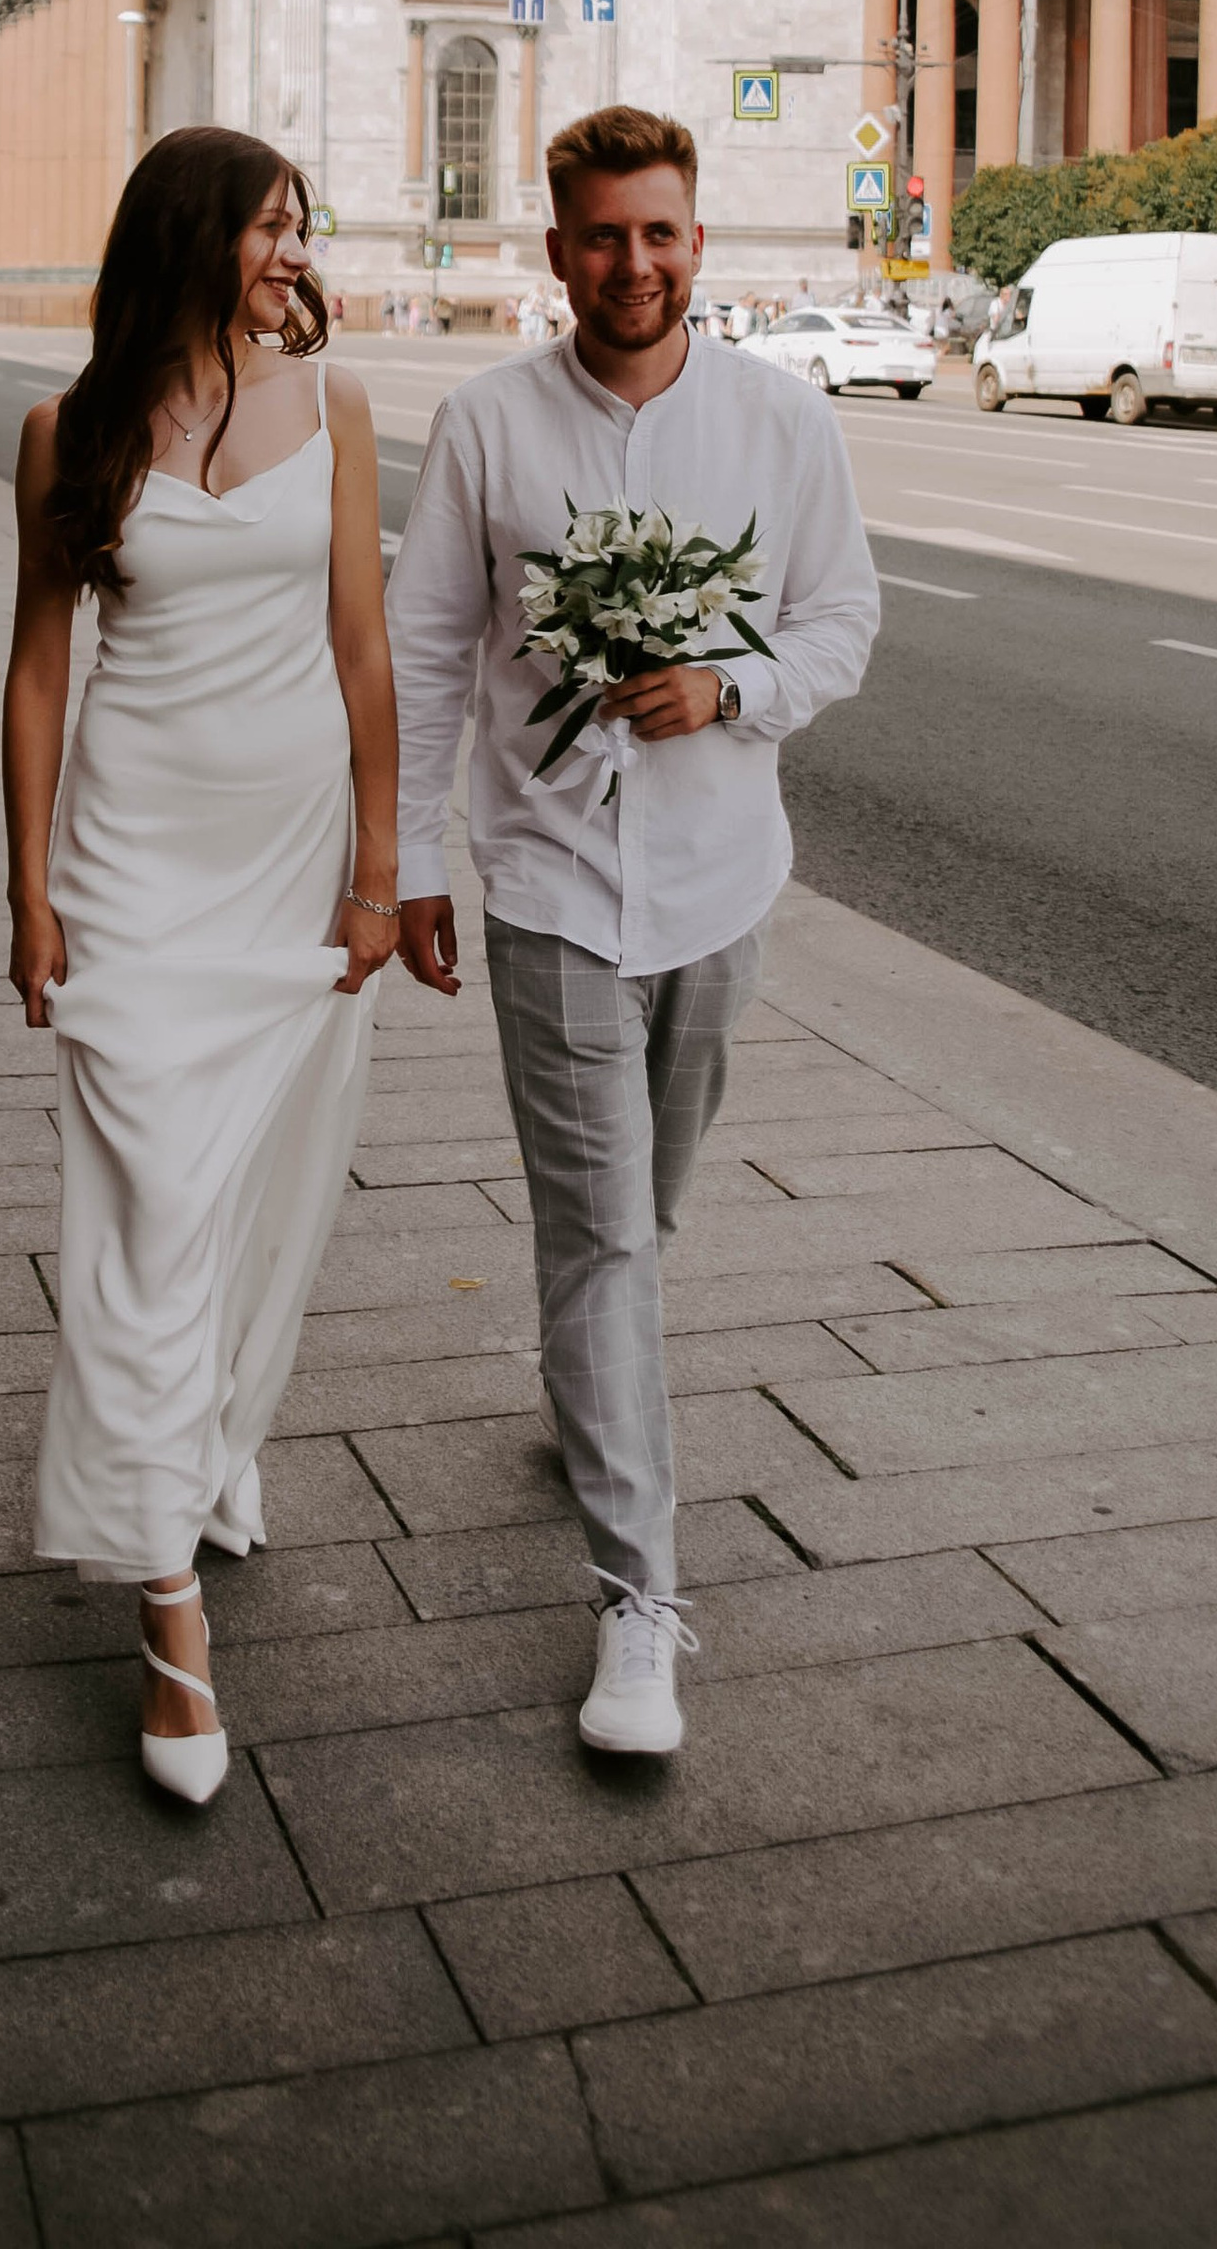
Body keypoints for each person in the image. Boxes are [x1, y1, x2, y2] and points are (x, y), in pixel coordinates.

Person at [389, 104, 878, 1759]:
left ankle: (587, 1392)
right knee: (601, 1233)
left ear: (696, 242)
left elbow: (842, 623)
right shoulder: (486, 426)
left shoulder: (782, 425)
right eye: (603, 236)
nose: (635, 264)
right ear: (558, 253)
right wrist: (408, 864)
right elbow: (429, 654)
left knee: (641, 1217)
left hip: (722, 879)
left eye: (659, 233)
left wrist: (727, 689)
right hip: (543, 888)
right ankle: (639, 1600)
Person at [2, 127, 412, 1807]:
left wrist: (382, 870)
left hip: (285, 867)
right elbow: (38, 672)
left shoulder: (340, 410)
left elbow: (365, 649)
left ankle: (210, 1445)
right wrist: (25, 891)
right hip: (133, 866)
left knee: (253, 1195)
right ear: (191, 238)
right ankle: (166, 1610)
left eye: (297, 226)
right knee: (152, 1208)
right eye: (267, 225)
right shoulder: (68, 433)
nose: (289, 251)